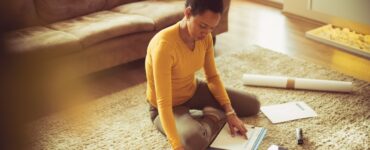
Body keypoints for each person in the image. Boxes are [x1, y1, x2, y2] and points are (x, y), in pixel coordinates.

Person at [145, 0, 260, 149]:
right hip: (166, 107)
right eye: (203, 26)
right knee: (195, 141)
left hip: (193, 90)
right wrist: (176, 145)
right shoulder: (164, 46)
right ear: (187, 13)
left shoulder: (206, 37)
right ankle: (213, 116)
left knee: (252, 104)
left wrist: (230, 112)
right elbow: (163, 103)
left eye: (212, 28)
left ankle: (213, 112)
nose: (206, 33)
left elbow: (212, 77)